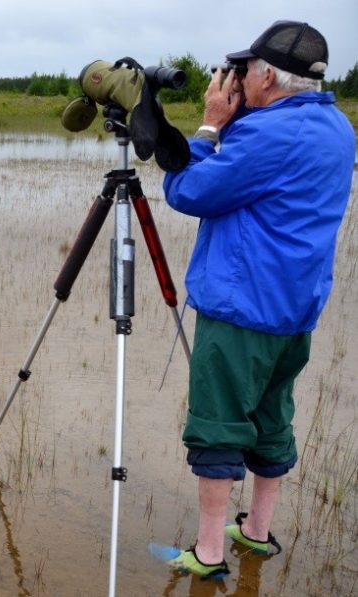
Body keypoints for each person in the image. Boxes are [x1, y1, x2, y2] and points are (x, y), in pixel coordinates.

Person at [160, 20, 355, 577]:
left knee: (218, 425)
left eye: (243, 70)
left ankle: (208, 555)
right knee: (272, 418)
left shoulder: (266, 136)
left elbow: (189, 191)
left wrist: (207, 127)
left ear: (267, 76)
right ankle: (255, 532)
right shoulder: (337, 128)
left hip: (243, 309)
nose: (235, 79)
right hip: (296, 310)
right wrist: (238, 121)